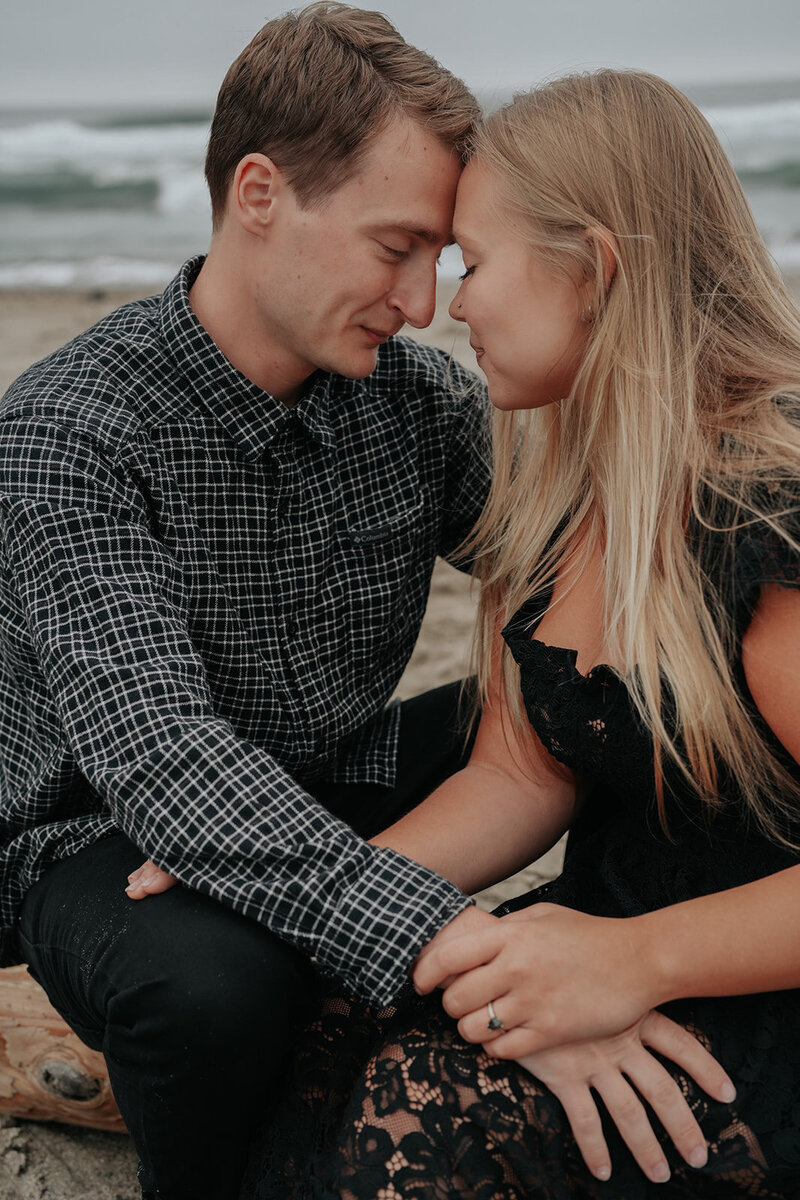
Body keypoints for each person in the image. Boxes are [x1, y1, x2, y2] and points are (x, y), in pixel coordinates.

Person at [224, 69, 800, 1198]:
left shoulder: (763, 503)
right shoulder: (552, 499)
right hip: (608, 935)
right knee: (326, 1001)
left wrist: (630, 963)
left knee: (429, 1108)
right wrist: (294, 884)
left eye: (471, 263)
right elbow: (511, 781)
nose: (442, 307)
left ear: (593, 267)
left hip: (752, 985)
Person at [0, 6, 492, 1199]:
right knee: (213, 986)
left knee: (601, 705)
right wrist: (439, 930)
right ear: (260, 195)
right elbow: (157, 755)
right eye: (394, 247)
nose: (421, 300)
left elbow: (563, 585)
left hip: (333, 765)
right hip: (93, 834)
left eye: (442, 258)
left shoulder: (421, 405)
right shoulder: (66, 430)